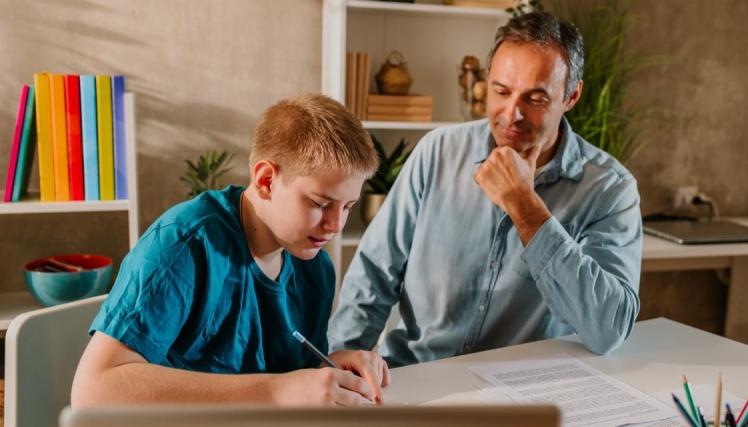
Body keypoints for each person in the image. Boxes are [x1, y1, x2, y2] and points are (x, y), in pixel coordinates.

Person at [328, 11, 642, 367]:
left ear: (571, 96)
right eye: (502, 91)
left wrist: (526, 208)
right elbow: (374, 274)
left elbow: (609, 330)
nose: (512, 114)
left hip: (521, 394)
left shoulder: (609, 190)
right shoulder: (438, 152)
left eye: (535, 98)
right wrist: (342, 360)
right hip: (417, 377)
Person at [71, 94, 390, 407]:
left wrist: (327, 371)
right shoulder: (184, 244)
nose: (335, 225)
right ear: (266, 181)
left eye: (348, 206)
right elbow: (93, 390)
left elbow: (287, 380)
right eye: (320, 204)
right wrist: (278, 392)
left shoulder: (315, 266)